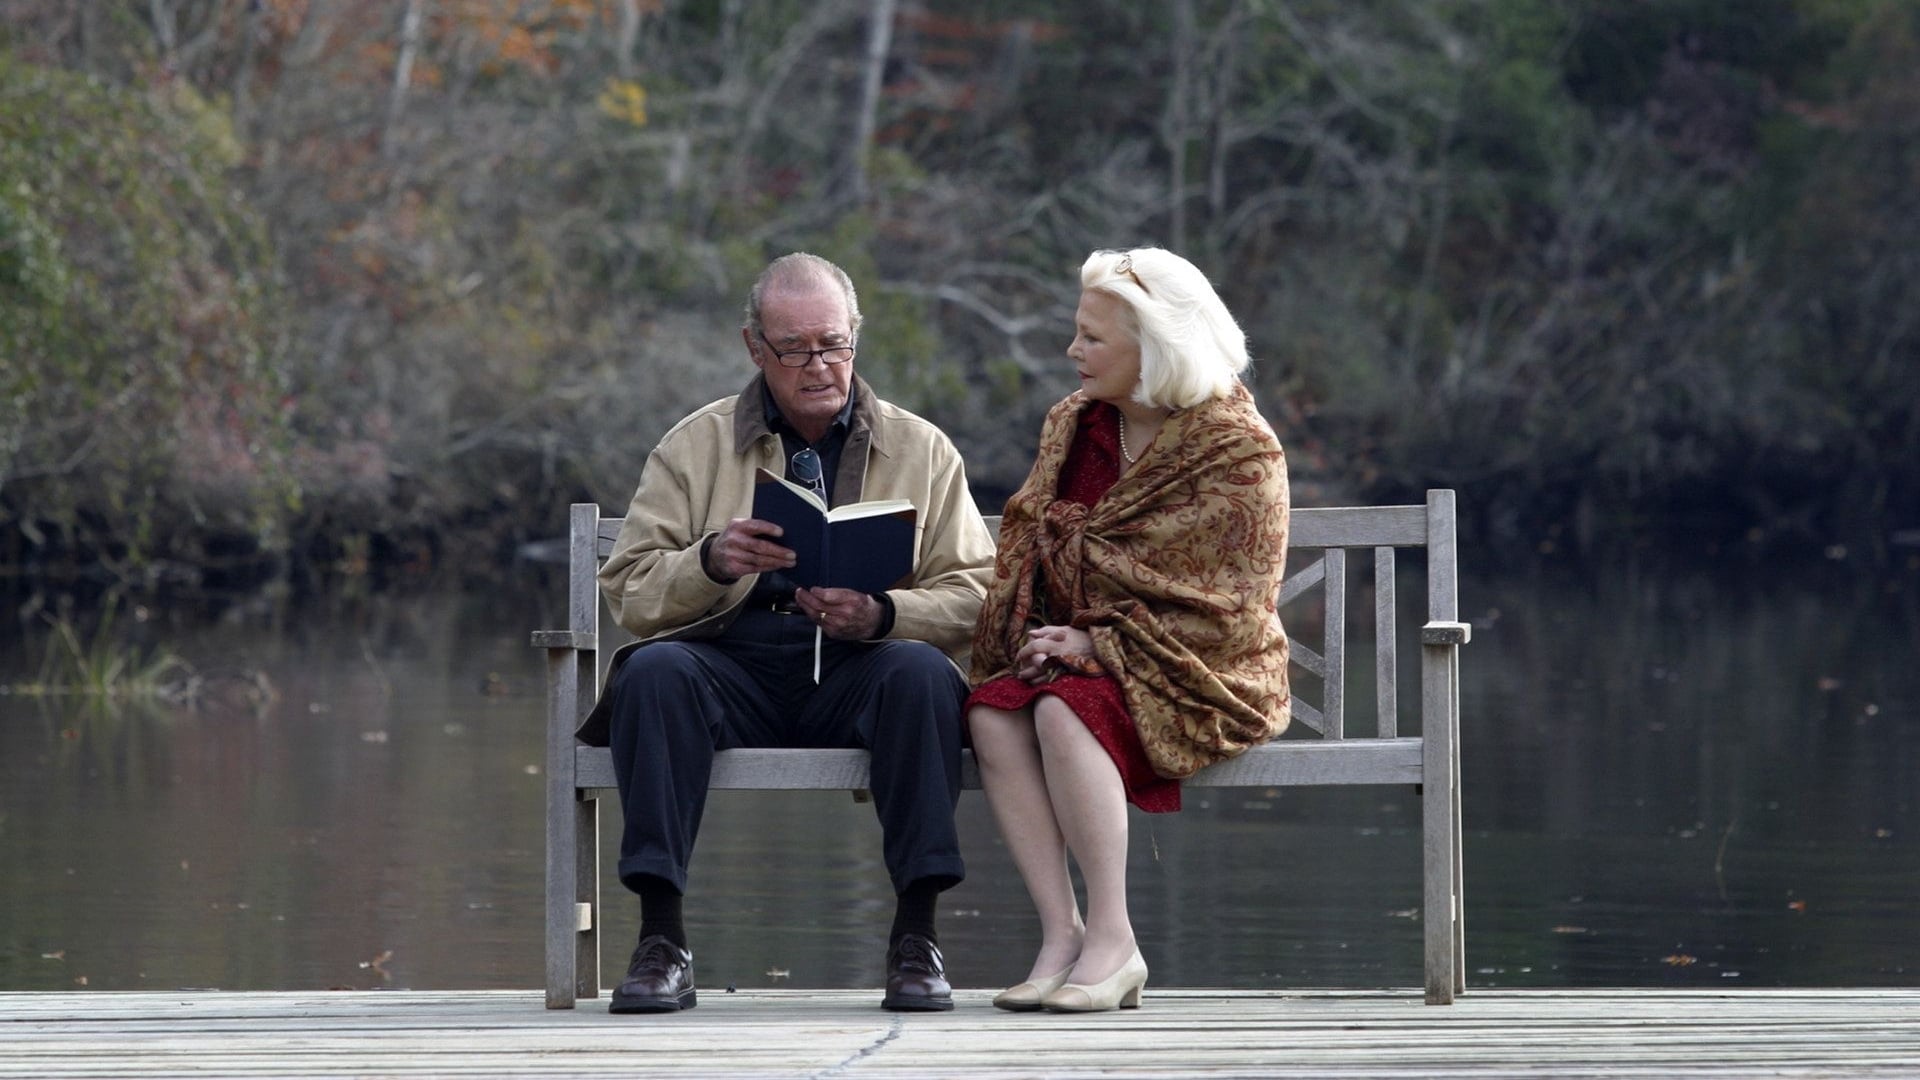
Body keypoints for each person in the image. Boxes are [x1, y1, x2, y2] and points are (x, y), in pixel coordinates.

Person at [577, 252, 997, 1014]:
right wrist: (710, 561)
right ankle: (662, 942)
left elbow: (980, 593)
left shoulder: (922, 449)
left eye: (833, 344)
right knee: (654, 673)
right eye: (795, 348)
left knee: (921, 675)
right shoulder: (695, 444)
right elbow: (630, 590)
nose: (818, 366)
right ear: (754, 348)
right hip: (729, 663)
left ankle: (917, 939)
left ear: (855, 339)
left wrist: (885, 615)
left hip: (860, 665)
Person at [966, 247, 1292, 1014]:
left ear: (1155, 348)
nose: (1071, 351)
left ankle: (1114, 943)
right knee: (992, 711)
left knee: (1063, 708)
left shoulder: (1237, 447)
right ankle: (1062, 935)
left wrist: (1099, 645)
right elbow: (1033, 542)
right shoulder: (1073, 425)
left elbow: (1233, 605)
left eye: (1092, 337)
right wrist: (1045, 634)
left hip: (1205, 670)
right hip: (1081, 655)